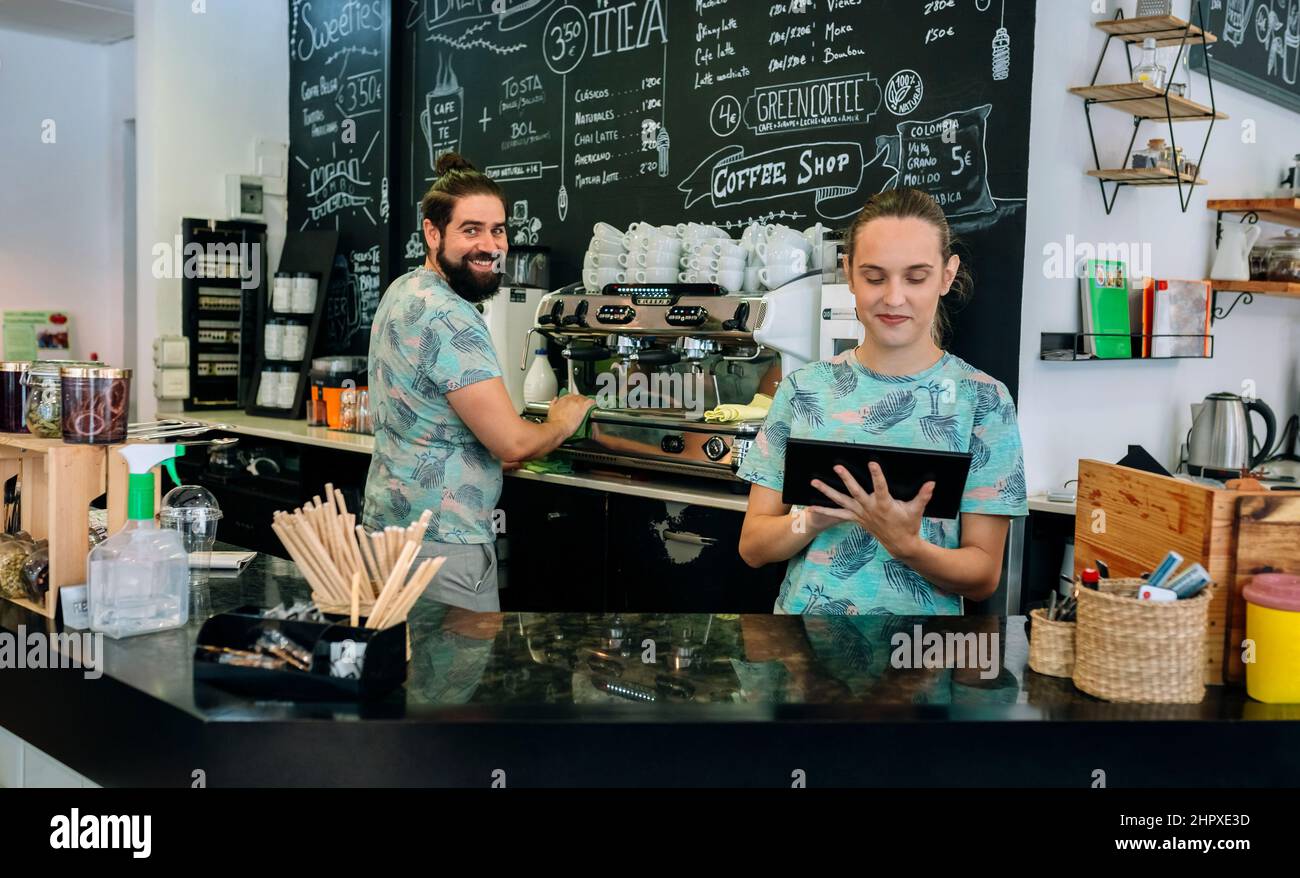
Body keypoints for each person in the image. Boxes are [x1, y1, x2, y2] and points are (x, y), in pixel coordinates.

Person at [736, 188, 1027, 615]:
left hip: (922, 662)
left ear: (947, 276)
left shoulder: (984, 400)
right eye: (874, 277)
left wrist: (907, 546)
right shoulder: (803, 390)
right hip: (802, 657)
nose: (893, 298)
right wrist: (813, 519)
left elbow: (983, 576)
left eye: (916, 277)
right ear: (849, 273)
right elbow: (753, 547)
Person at [362, 153, 593, 611]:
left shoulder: (404, 290)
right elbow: (510, 443)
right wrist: (563, 421)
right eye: (471, 230)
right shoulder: (451, 316)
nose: (490, 245)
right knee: (459, 680)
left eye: (498, 229)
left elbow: (436, 423)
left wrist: (481, 458)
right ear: (433, 233)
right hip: (443, 549)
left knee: (398, 676)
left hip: (385, 534)